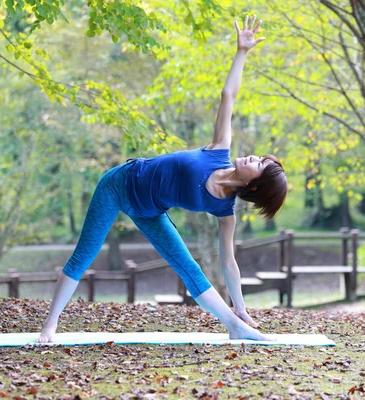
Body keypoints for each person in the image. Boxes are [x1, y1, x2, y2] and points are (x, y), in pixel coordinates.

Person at [37, 15, 288, 343]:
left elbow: (229, 263)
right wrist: (241, 52)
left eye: (260, 164)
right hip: (119, 185)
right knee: (84, 255)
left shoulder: (225, 212)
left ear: (254, 186)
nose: (255, 156)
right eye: (260, 157)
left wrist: (240, 306)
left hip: (150, 212)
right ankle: (49, 327)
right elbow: (228, 96)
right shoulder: (219, 150)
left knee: (190, 270)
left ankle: (235, 325)